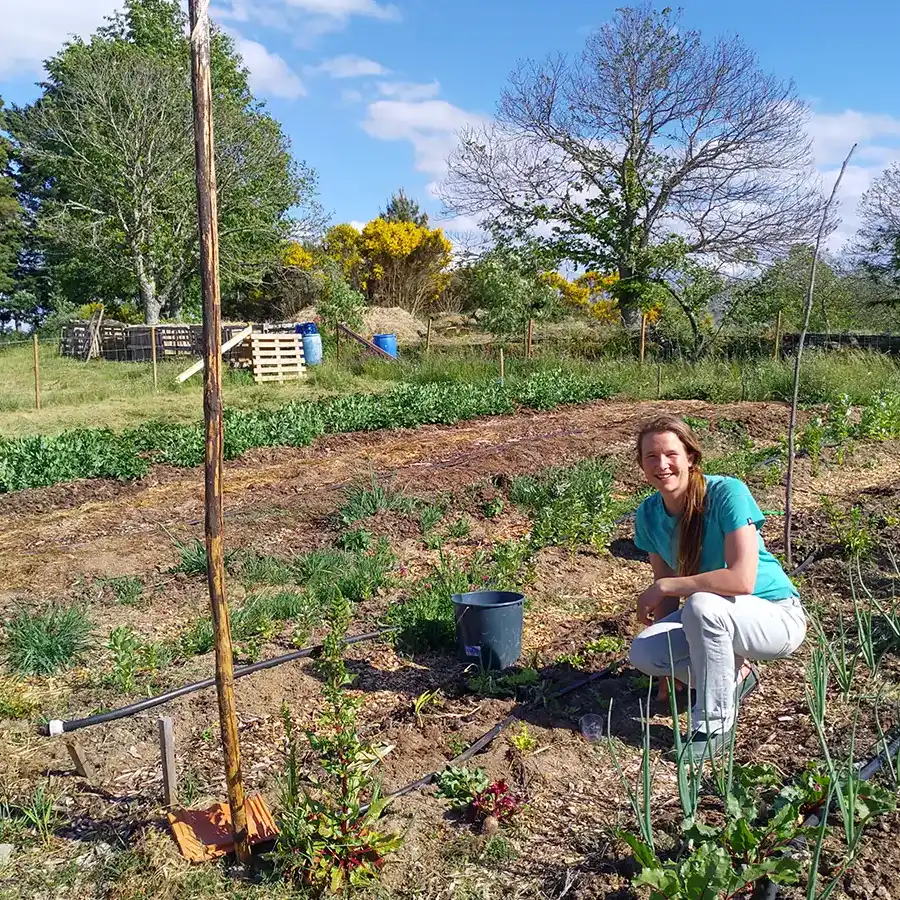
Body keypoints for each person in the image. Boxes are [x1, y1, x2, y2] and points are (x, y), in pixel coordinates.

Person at [628, 415, 806, 762]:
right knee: (645, 653)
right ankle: (738, 674)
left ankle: (713, 726)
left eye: (670, 454)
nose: (661, 464)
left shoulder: (727, 493)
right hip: (713, 614)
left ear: (690, 458)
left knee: (702, 606)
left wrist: (667, 585)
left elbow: (741, 580)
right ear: (641, 465)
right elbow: (666, 598)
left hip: (773, 613)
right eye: (651, 457)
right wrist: (666, 671)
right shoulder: (648, 514)